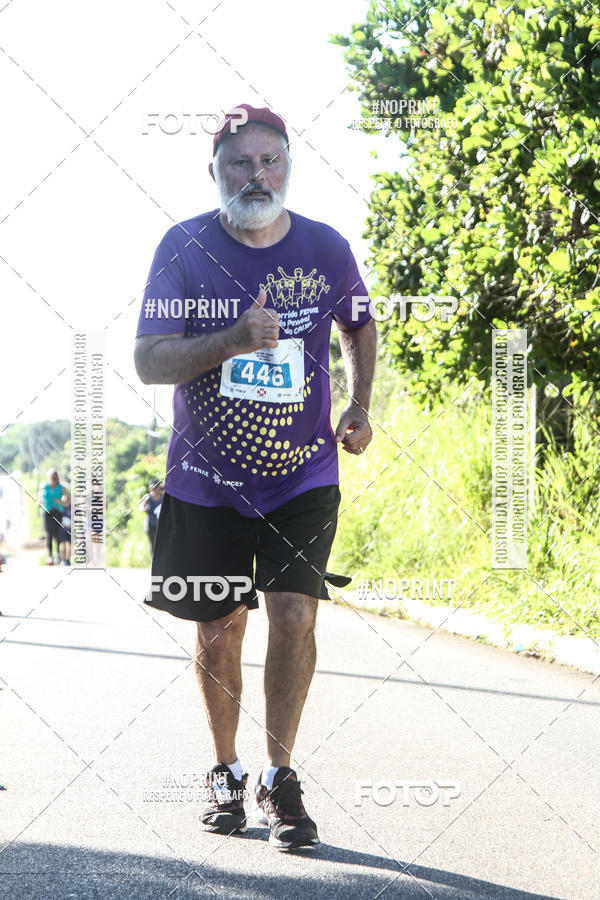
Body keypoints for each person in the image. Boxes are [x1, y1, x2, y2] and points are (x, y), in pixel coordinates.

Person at [134, 103, 376, 849]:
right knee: (217, 627)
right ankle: (224, 770)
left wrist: (360, 404)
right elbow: (149, 361)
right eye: (240, 162)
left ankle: (278, 777)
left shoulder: (326, 248)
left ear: (289, 166)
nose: (256, 175)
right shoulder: (183, 248)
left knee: (295, 616)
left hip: (302, 475)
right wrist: (234, 339)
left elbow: (361, 322)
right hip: (204, 479)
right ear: (214, 170)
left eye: (270, 160)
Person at [40, 470, 63, 566]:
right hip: (47, 512)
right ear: (49, 476)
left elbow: (68, 500)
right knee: (48, 534)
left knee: (57, 534)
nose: (53, 477)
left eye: (55, 476)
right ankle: (50, 557)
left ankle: (57, 554)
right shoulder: (44, 485)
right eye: (52, 476)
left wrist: (61, 502)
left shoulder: (61, 487)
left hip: (58, 512)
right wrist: (40, 501)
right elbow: (40, 495)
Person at [140, 479, 163, 552]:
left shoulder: (163, 497)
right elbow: (141, 508)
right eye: (152, 488)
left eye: (156, 487)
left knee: (162, 543)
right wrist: (145, 508)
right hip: (150, 524)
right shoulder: (147, 497)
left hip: (160, 525)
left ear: (159, 487)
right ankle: (154, 561)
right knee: (153, 544)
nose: (154, 489)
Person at [59, 489, 72, 565]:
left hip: (70, 529)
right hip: (62, 529)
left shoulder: (72, 508)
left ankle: (67, 560)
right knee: (62, 544)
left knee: (69, 544)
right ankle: (63, 559)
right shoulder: (60, 508)